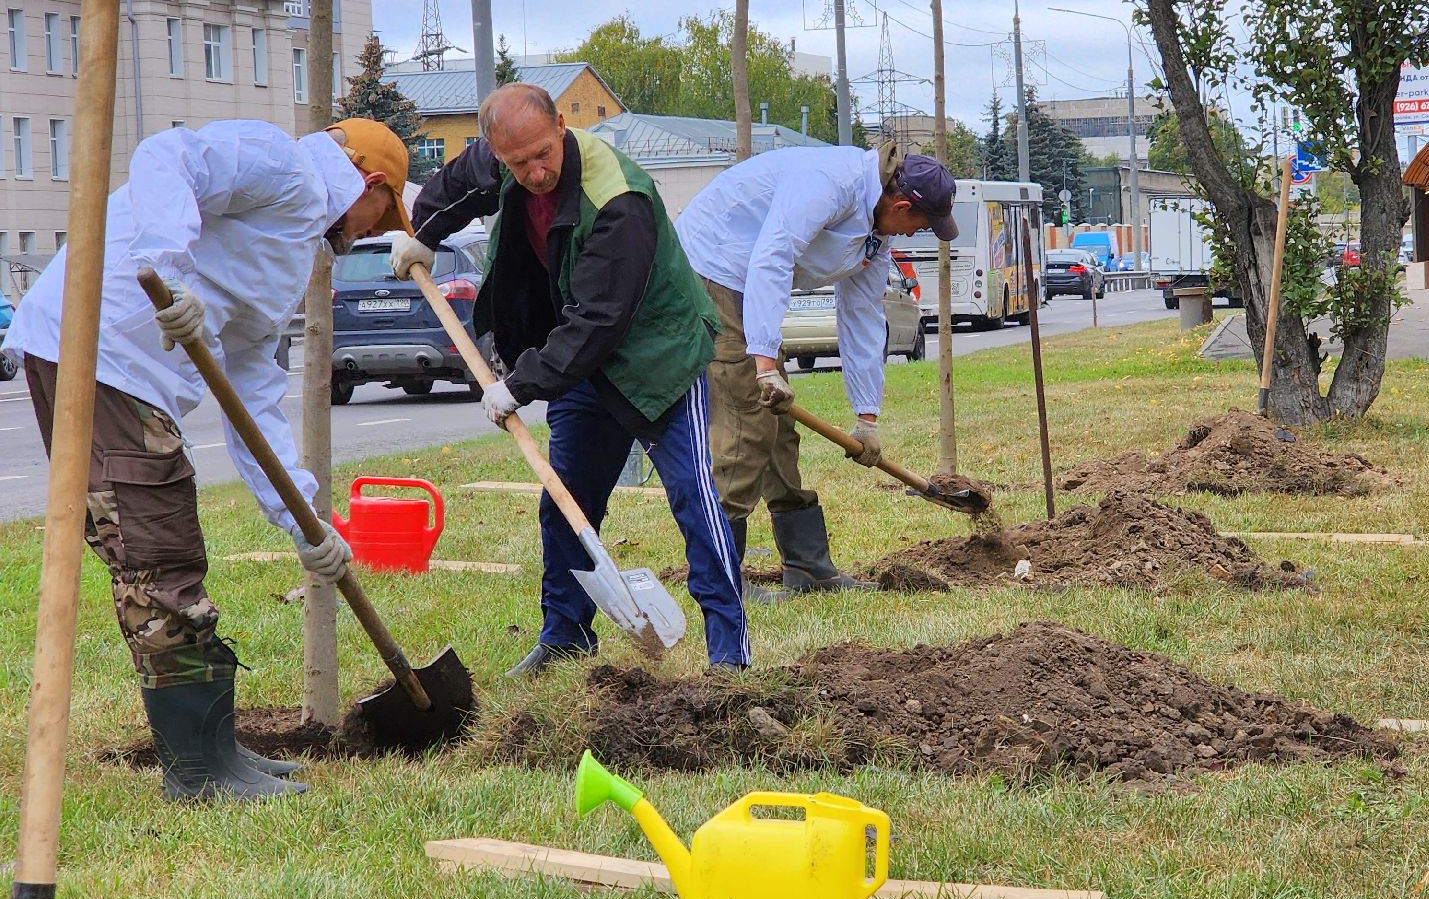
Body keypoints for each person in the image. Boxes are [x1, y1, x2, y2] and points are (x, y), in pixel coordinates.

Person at [3, 117, 409, 800]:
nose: (376, 229)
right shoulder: (283, 166)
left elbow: (253, 394)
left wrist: (305, 519)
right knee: (157, 560)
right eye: (383, 211)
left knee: (173, 554)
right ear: (367, 182)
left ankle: (216, 751)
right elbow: (166, 154)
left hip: (132, 376)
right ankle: (196, 773)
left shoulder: (288, 249)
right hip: (95, 352)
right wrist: (170, 268)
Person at [397, 83, 749, 677]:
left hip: (655, 356)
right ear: (498, 151)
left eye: (543, 155)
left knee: (694, 499)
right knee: (565, 502)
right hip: (578, 358)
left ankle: (728, 653)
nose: (535, 173)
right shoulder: (504, 157)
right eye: (517, 163)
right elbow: (454, 185)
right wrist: (424, 235)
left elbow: (600, 320)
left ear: (561, 125)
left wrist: (521, 383)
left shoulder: (617, 198)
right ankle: (564, 638)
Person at [674, 144, 957, 596]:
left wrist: (867, 417)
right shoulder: (831, 183)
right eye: (919, 225)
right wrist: (764, 363)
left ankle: (806, 567)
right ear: (902, 205)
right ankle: (717, 576)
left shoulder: (875, 236)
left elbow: (862, 316)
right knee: (750, 418)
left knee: (778, 427)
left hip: (748, 278)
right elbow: (773, 254)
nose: (914, 234)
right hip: (712, 268)